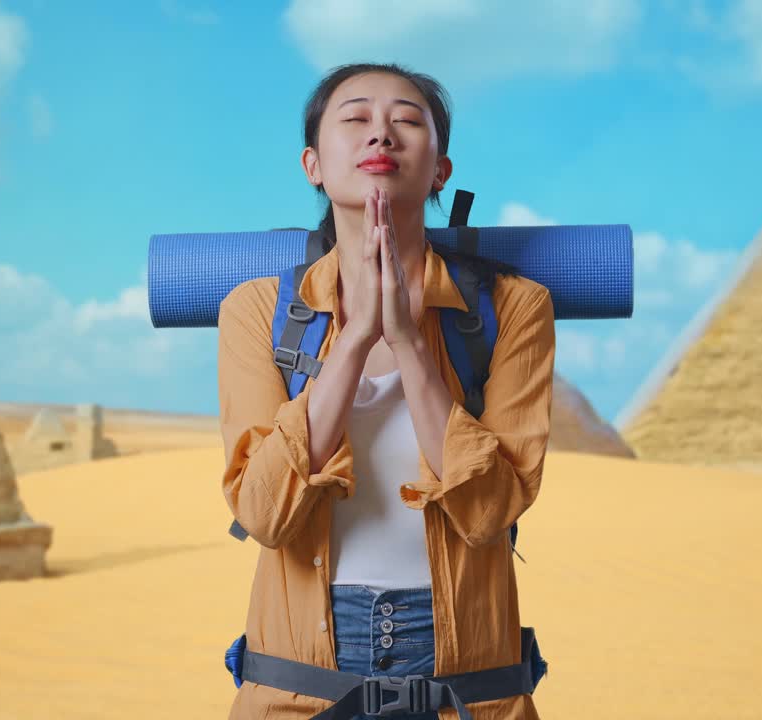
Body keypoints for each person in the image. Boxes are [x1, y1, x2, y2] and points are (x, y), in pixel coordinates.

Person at [217, 61, 555, 719]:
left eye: (406, 120)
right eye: (355, 119)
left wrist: (406, 341)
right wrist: (353, 339)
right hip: (297, 687)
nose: (381, 135)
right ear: (313, 163)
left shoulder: (515, 308)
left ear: (440, 172)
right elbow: (264, 513)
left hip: (470, 690)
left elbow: (491, 513)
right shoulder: (255, 310)